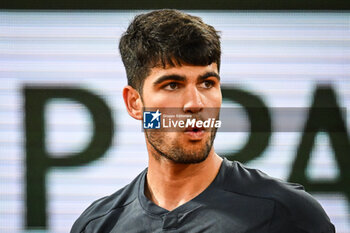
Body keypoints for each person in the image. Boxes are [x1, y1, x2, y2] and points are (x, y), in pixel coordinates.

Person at [70, 9, 335, 233]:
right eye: (173, 85)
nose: (196, 103)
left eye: (207, 83)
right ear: (134, 103)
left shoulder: (288, 214)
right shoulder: (98, 225)